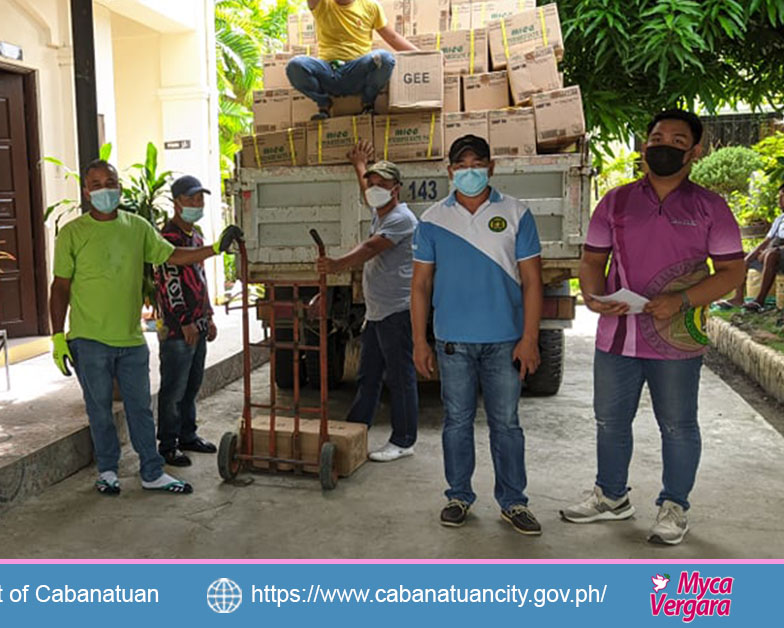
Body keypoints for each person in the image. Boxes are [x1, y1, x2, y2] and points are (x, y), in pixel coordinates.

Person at [562, 109, 746, 545]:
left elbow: (732, 273)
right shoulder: (616, 201)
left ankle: (674, 505)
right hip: (617, 335)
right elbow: (591, 261)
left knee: (679, 425)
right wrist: (592, 295)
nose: (664, 145)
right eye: (656, 137)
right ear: (644, 145)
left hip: (678, 340)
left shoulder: (710, 207)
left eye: (678, 140)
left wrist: (680, 301)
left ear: (695, 152)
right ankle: (611, 496)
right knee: (610, 421)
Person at [50, 160, 242, 496]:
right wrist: (57, 337)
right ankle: (108, 471)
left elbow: (171, 256)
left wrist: (214, 249)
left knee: (141, 408)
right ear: (85, 190)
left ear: (120, 187)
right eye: (95, 184)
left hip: (131, 340)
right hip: (89, 340)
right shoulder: (72, 233)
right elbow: (60, 287)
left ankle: (152, 471)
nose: (104, 189)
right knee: (100, 411)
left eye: (110, 182)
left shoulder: (137, 227)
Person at [411, 135, 544, 535]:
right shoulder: (432, 219)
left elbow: (533, 283)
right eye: (461, 164)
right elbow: (419, 286)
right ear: (450, 170)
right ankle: (458, 495)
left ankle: (513, 502)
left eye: (477, 163)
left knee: (506, 424)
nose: (469, 171)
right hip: (453, 341)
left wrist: (530, 338)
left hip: (505, 340)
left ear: (491, 167)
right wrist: (420, 341)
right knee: (456, 421)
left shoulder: (517, 213)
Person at [315, 141, 419, 462]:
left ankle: (403, 440)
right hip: (377, 312)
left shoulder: (402, 219)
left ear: (396, 189)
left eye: (382, 185)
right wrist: (360, 165)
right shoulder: (381, 209)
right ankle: (355, 430)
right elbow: (366, 192)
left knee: (399, 376)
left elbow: (371, 248)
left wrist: (336, 266)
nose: (374, 190)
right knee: (368, 373)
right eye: (373, 185)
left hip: (397, 311)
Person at [154, 175, 220, 467]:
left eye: (200, 199)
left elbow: (200, 280)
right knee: (173, 389)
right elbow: (170, 283)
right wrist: (184, 320)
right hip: (178, 329)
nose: (197, 204)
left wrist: (208, 316)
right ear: (176, 202)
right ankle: (167, 444)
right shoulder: (166, 238)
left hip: (198, 324)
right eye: (191, 199)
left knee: (192, 385)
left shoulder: (196, 237)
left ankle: (187, 435)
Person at [287, 0, 418, 120]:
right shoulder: (321, 3)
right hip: (329, 72)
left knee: (384, 58)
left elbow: (393, 37)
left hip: (357, 72)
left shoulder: (371, 6)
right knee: (295, 65)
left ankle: (367, 103)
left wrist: (425, 56)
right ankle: (324, 104)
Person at [717, 182, 783, 312]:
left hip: (777, 255)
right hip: (772, 251)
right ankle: (738, 297)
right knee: (740, 256)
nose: (779, 201)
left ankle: (759, 301)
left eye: (783, 197)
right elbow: (766, 241)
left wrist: (770, 251)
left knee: (771, 254)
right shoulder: (780, 219)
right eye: (779, 197)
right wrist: (749, 257)